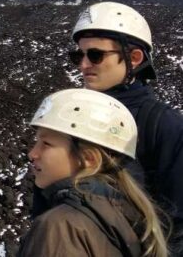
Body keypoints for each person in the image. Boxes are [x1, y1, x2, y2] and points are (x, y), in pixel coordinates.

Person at [68, 1, 183, 251]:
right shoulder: (77, 116)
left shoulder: (163, 125)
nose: (83, 64)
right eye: (78, 55)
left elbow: (178, 225)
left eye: (95, 55)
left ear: (134, 57)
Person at [19, 88, 168, 257]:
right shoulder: (127, 214)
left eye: (46, 143)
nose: (32, 154)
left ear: (88, 159)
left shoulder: (60, 227)